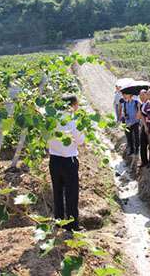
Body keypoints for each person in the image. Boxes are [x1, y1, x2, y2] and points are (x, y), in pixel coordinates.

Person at [48, 95, 85, 231]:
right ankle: (72, 225)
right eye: (77, 104)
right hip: (69, 160)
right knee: (71, 194)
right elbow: (80, 140)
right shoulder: (72, 120)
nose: (77, 107)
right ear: (72, 105)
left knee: (57, 192)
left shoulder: (51, 119)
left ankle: (59, 222)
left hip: (54, 160)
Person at [139, 89, 150, 167]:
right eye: (148, 94)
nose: (149, 96)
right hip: (147, 126)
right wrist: (145, 126)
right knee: (143, 144)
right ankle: (144, 162)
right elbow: (143, 115)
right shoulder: (146, 105)